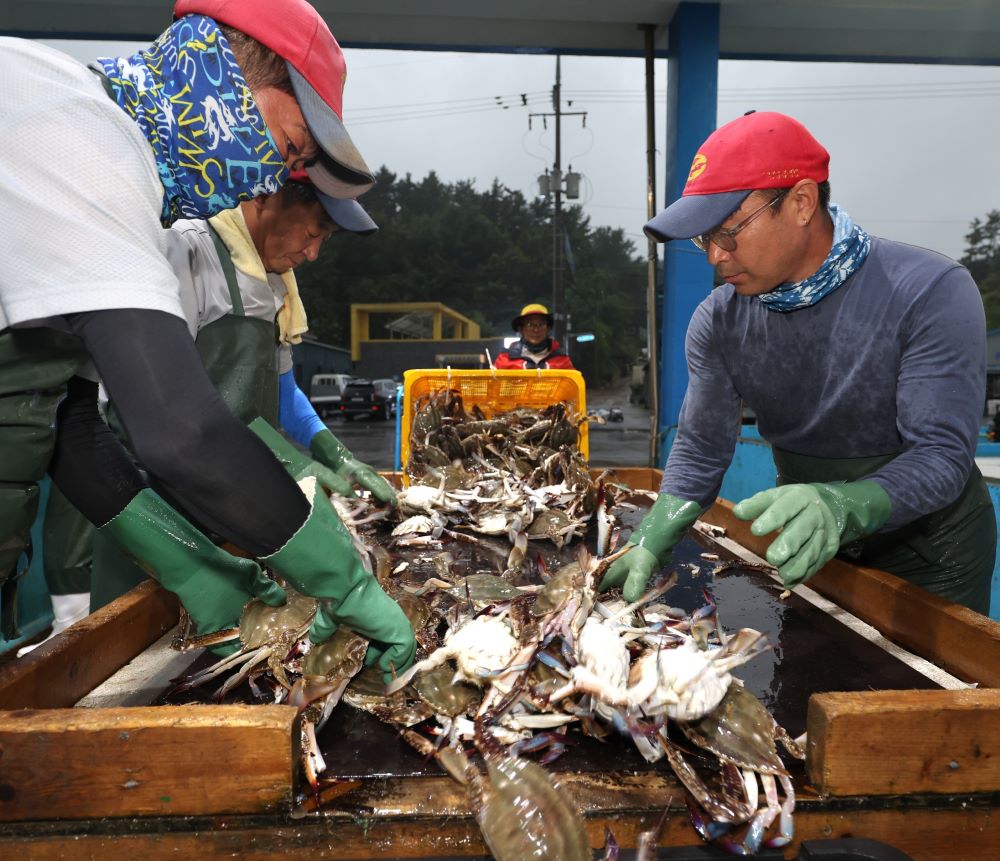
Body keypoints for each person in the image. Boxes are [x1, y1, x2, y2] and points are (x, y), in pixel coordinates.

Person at [0, 0, 415, 680]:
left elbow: (68, 425)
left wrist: (193, 565)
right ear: (232, 83)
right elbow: (178, 431)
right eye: (287, 151)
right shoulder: (77, 138)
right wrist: (344, 579)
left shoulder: (119, 176)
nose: (262, 184)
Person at [601, 110, 995, 615]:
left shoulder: (927, 292)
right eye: (704, 240)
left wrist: (845, 505)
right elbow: (701, 449)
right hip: (807, 542)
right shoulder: (720, 322)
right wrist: (654, 534)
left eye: (727, 231)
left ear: (802, 202)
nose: (715, 258)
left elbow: (942, 454)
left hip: (931, 553)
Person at [89, 175, 392, 611]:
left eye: (324, 240)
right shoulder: (188, 254)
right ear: (268, 199)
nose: (312, 254)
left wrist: (333, 452)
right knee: (138, 655)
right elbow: (139, 404)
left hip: (236, 502)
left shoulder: (274, 285)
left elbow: (283, 394)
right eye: (312, 233)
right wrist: (291, 463)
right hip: (157, 511)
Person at [494, 303, 574, 370]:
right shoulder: (505, 359)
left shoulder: (562, 361)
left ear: (548, 329)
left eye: (541, 324)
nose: (536, 330)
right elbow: (493, 387)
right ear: (521, 329)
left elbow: (574, 387)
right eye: (530, 325)